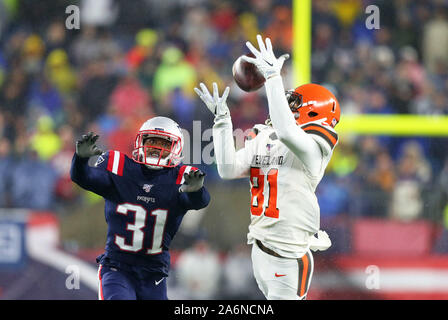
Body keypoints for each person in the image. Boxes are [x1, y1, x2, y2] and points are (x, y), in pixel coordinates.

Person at [195, 35, 339, 300]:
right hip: (259, 247)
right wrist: (222, 121)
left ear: (314, 113)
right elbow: (227, 170)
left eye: (295, 104)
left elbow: (287, 131)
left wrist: (274, 77)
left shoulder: (315, 147)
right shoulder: (265, 136)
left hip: (288, 255)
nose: (286, 106)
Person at [70, 116, 210, 300]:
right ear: (140, 141)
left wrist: (196, 191)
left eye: (163, 143)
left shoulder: (181, 177)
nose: (155, 147)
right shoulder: (119, 165)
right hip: (117, 268)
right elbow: (85, 178)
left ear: (176, 148)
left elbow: (201, 201)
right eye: (151, 141)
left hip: (154, 274)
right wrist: (80, 160)